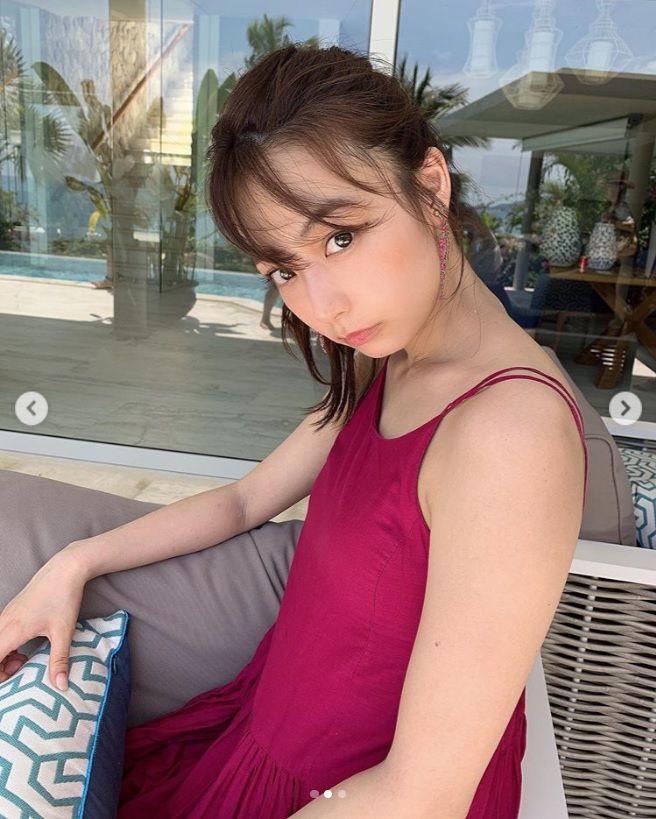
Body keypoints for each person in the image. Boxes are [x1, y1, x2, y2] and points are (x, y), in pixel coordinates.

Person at [0, 43, 588, 818]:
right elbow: (245, 501)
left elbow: (424, 793)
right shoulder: (390, 356)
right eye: (283, 270)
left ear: (430, 185)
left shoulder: (510, 435)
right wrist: (72, 562)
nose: (324, 306)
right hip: (264, 733)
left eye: (340, 236)